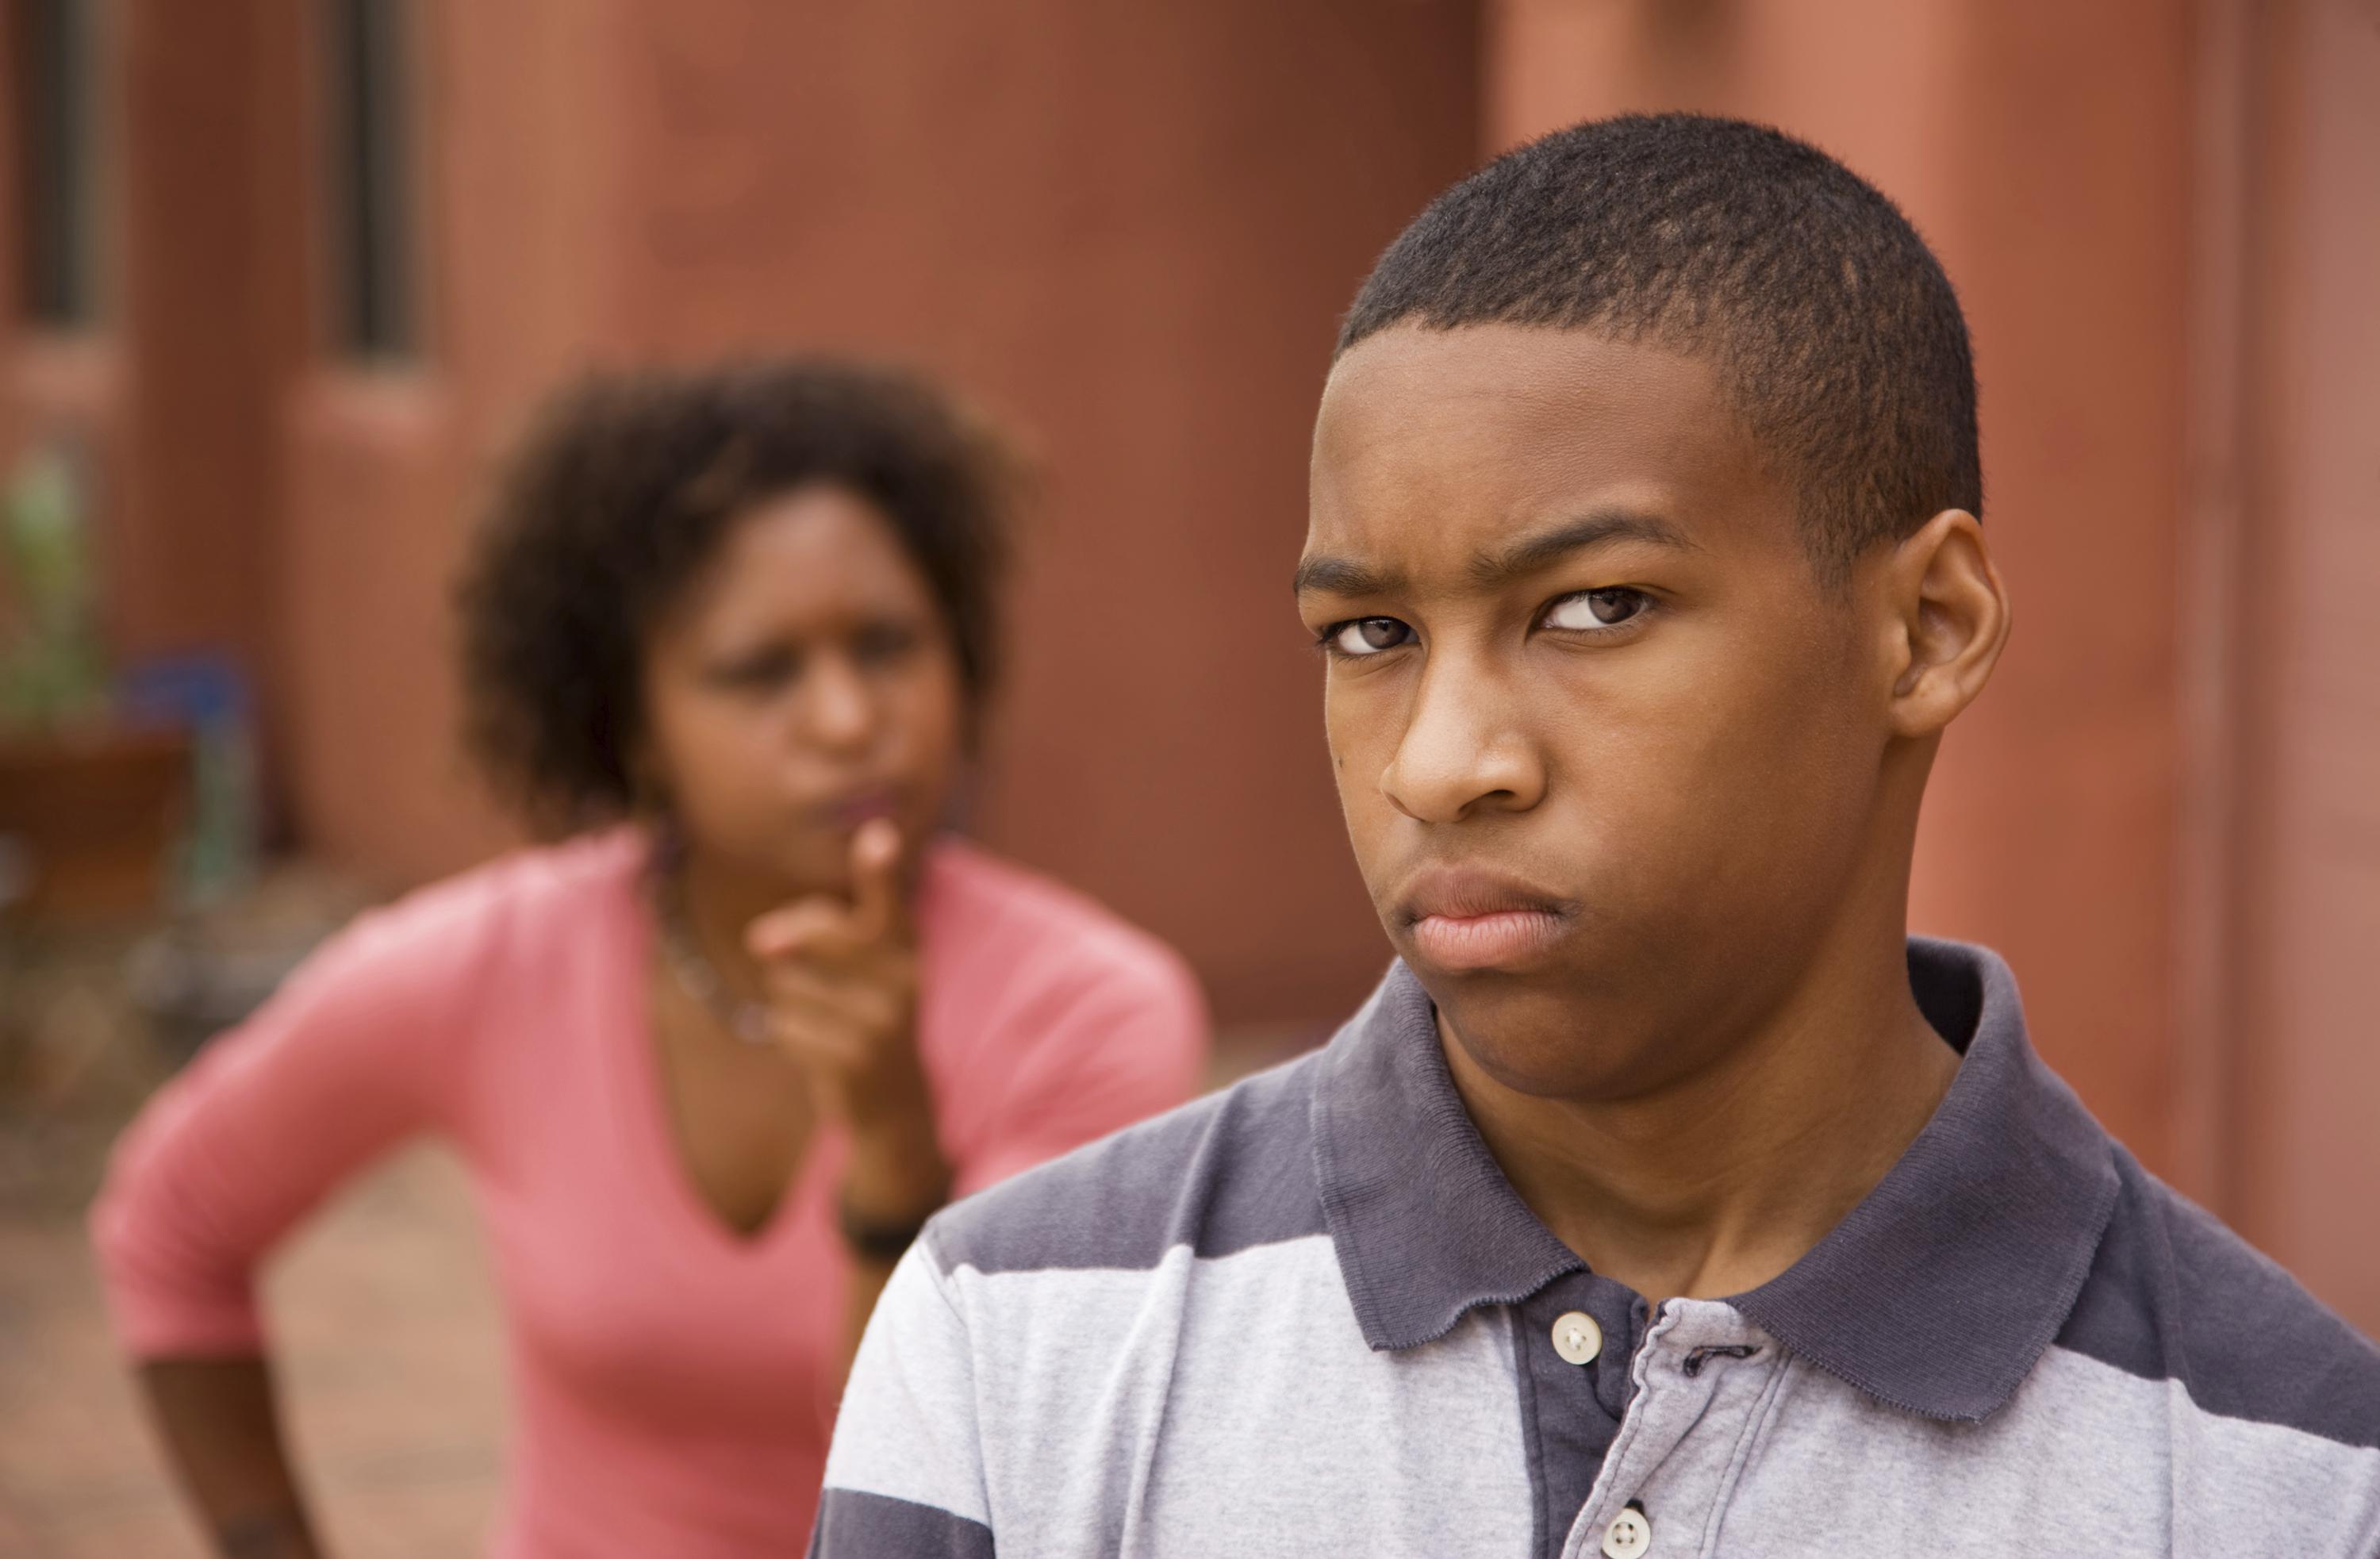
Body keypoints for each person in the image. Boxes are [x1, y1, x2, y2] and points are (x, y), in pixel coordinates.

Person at [812, 114, 2380, 1557]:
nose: (1441, 761)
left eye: (1594, 607)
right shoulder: (1018, 1339)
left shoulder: (2289, 1469)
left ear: (1925, 627)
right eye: (1368, 634)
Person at [90, 358, 1207, 1558]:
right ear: (633, 725)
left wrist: (891, 1151)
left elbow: (954, 1485)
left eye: (886, 643)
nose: (844, 715)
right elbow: (173, 1221)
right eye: (761, 670)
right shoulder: (495, 965)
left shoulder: (1090, 1012)